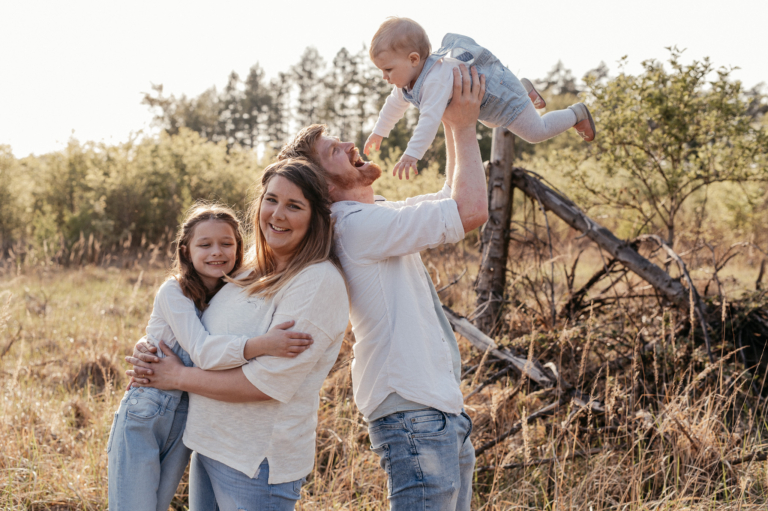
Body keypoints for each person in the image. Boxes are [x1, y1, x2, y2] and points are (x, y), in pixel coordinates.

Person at [277, 64, 487, 510]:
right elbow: (470, 211)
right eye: (334, 150)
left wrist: (450, 119)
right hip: (414, 412)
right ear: (325, 185)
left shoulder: (373, 218)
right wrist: (465, 127)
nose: (350, 144)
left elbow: (453, 195)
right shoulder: (357, 227)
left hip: (433, 409)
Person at [125, 159, 349, 511]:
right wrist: (149, 347)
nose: (277, 214)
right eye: (271, 199)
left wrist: (177, 376)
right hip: (207, 446)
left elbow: (264, 384)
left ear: (315, 217)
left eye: (294, 205)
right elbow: (195, 321)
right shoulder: (245, 265)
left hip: (254, 464)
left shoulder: (317, 281)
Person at [107, 203, 314, 511]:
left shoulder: (228, 293)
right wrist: (263, 345)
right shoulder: (173, 291)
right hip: (148, 409)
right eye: (205, 244)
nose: (216, 252)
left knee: (157, 504)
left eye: (226, 244)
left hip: (186, 415)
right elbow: (202, 352)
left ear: (239, 248)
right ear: (186, 250)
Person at [364, 17, 596, 179]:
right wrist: (379, 132)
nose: (384, 77)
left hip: (502, 99)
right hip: (490, 103)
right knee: (491, 122)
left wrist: (411, 155)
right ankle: (523, 89)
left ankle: (576, 113)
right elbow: (393, 105)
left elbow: (429, 120)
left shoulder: (434, 80)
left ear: (414, 59)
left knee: (537, 132)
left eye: (388, 70)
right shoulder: (408, 82)